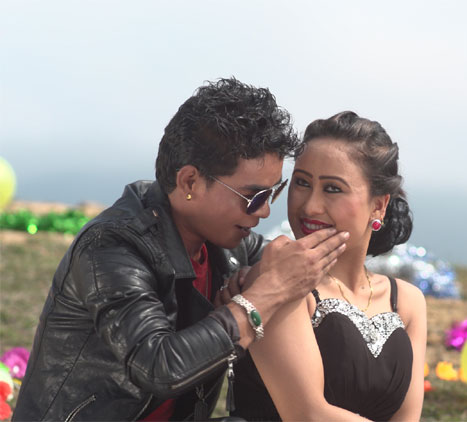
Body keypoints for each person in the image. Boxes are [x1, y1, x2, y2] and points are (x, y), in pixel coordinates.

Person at [12, 78, 350, 421]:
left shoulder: (225, 243)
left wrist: (266, 274)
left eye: (273, 193)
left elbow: (292, 265)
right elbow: (160, 367)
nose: (264, 211)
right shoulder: (113, 246)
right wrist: (263, 296)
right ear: (190, 182)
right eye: (254, 197)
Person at [222, 111, 427, 421]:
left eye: (333, 188)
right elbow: (308, 414)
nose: (310, 206)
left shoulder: (407, 302)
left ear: (378, 205)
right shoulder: (276, 282)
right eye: (302, 183)